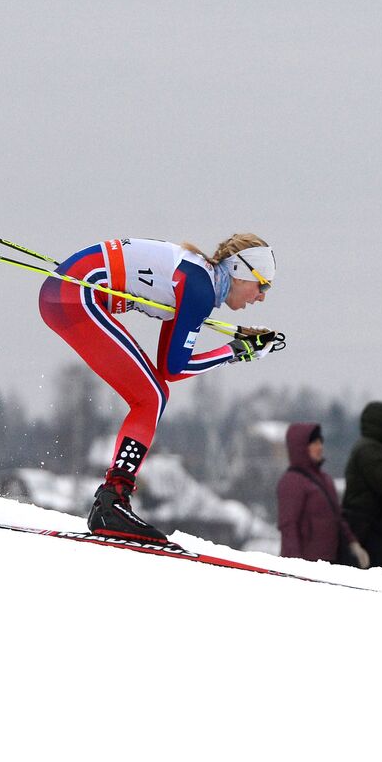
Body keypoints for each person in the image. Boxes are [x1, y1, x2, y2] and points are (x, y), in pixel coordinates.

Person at [37, 233, 278, 543]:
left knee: (153, 395)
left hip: (67, 293)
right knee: (150, 397)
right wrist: (235, 352)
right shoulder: (200, 287)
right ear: (240, 271)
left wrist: (236, 348)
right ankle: (112, 501)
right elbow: (176, 368)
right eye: (263, 285)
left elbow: (167, 367)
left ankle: (113, 498)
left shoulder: (199, 279)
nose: (261, 297)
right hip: (74, 297)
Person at [276, 423, 369, 568]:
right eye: (314, 443)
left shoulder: (325, 479)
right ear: (301, 447)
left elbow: (337, 517)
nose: (320, 447)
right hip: (307, 564)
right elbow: (289, 526)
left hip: (330, 561)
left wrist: (353, 543)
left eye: (320, 442)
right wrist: (293, 565)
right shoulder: (292, 482)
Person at [342, 401, 382, 572]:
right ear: (381, 425)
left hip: (365, 523)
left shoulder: (371, 447)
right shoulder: (369, 449)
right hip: (365, 525)